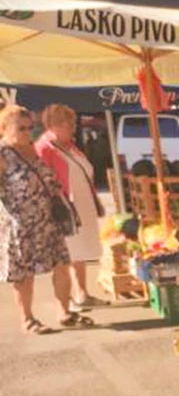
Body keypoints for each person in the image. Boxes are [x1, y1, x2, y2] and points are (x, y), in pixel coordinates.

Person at [0, 105, 93, 333]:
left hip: (48, 219)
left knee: (61, 264)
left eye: (30, 127)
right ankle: (28, 319)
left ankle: (64, 311)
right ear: (4, 129)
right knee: (24, 274)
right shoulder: (3, 154)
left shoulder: (31, 149)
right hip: (20, 224)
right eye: (21, 128)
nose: (27, 132)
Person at [35, 104, 106, 311]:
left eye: (72, 123)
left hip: (82, 205)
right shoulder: (45, 147)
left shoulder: (70, 146)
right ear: (53, 125)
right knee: (67, 252)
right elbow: (42, 179)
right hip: (64, 207)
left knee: (80, 251)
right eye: (67, 124)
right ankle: (66, 303)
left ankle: (82, 293)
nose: (72, 128)